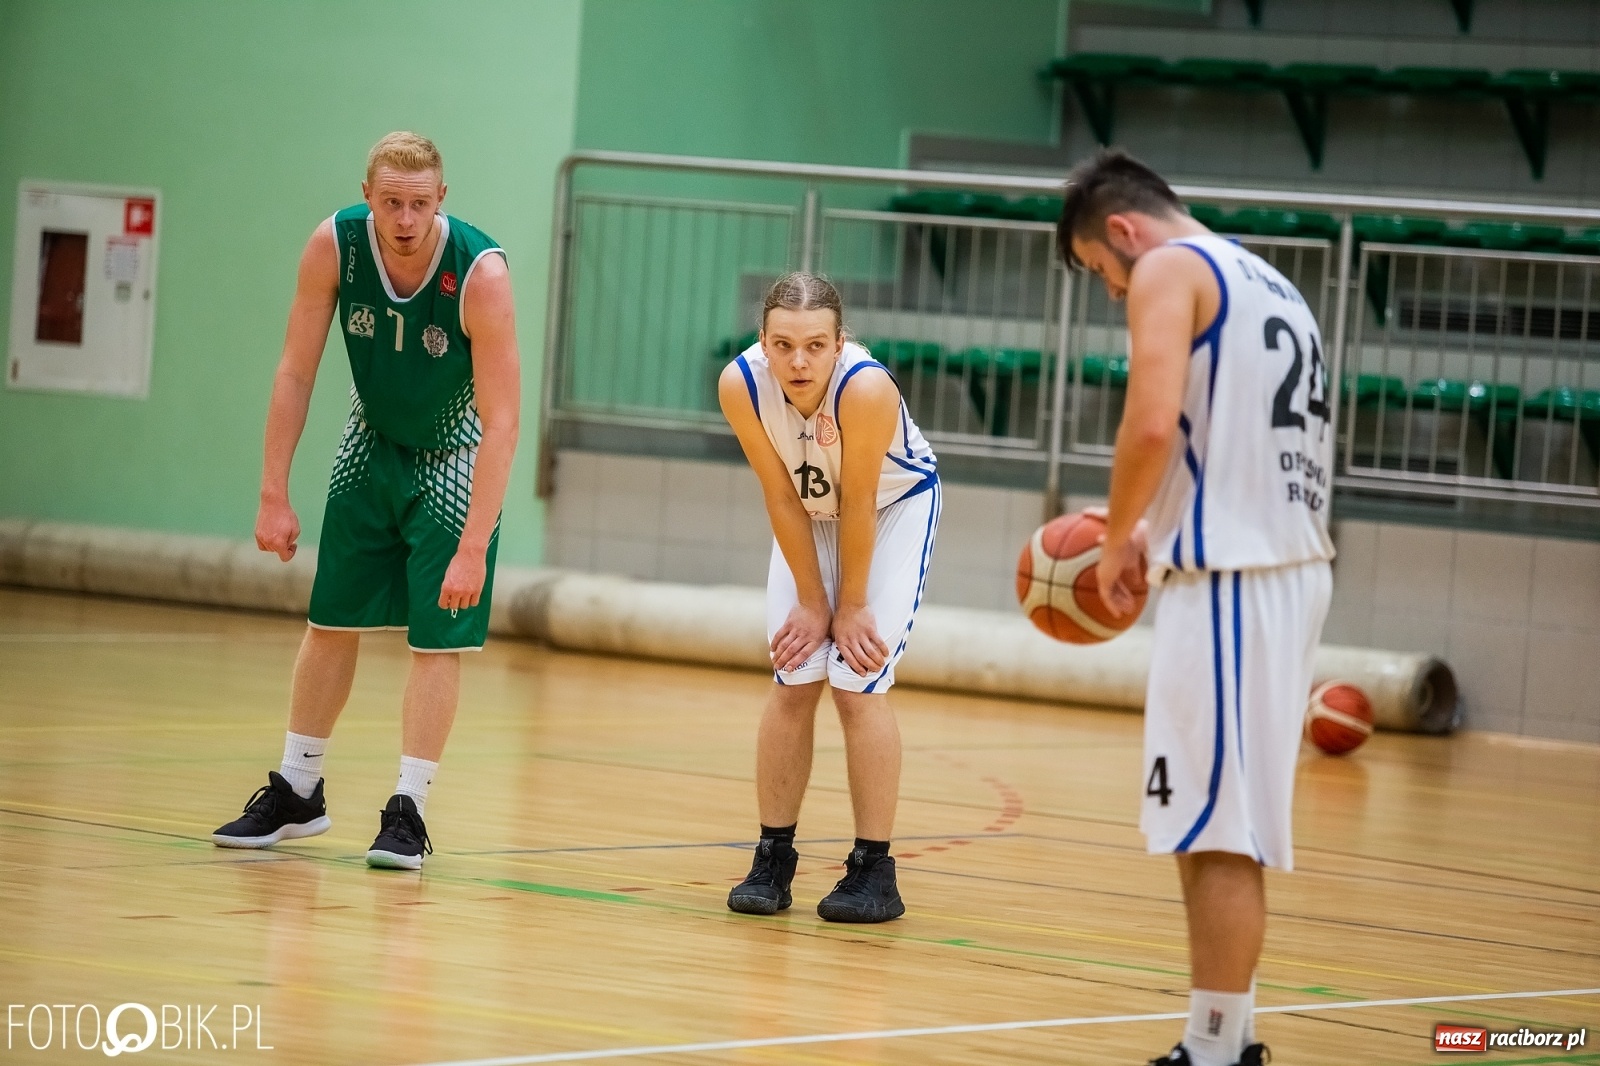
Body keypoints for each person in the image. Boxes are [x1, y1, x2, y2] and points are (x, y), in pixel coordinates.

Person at [1056, 150, 1334, 1066]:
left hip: (1229, 576)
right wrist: (1144, 520)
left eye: (1102, 271)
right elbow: (1217, 438)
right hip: (1284, 566)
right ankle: (1227, 1037)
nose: (1111, 290)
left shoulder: (1173, 266)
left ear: (1125, 232)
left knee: (1216, 830)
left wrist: (1119, 536)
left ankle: (1214, 1054)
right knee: (1217, 821)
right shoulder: (1272, 280)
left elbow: (1149, 419)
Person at [210, 131, 520, 871]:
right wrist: (271, 493)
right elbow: (294, 372)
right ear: (368, 199)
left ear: (440, 199)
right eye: (391, 203)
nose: (405, 219)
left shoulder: (481, 273)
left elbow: (504, 418)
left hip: (456, 457)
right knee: (328, 619)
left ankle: (409, 808)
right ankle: (298, 789)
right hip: (369, 443)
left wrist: (475, 543)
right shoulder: (334, 246)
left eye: (418, 204)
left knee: (437, 638)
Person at [718, 272, 940, 923]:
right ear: (763, 340)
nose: (798, 360)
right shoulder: (740, 385)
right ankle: (773, 856)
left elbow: (862, 501)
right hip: (807, 512)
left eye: (815, 345)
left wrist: (850, 605)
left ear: (841, 343)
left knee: (857, 677)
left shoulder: (865, 388)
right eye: (783, 344)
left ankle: (874, 870)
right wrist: (813, 602)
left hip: (892, 510)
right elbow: (780, 494)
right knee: (793, 674)